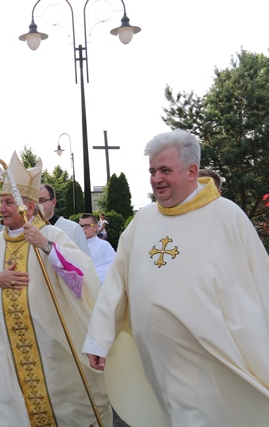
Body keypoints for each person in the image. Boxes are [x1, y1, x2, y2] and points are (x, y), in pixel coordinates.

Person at [83, 129, 269, 425]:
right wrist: (99, 338)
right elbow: (117, 284)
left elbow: (259, 283)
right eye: (152, 171)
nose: (156, 178)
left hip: (209, 355)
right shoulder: (143, 219)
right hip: (157, 360)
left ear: (192, 171)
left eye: (165, 170)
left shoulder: (227, 216)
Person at [0, 152, 111, 427]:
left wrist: (46, 246)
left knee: (63, 407)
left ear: (29, 207)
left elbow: (81, 277)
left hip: (51, 344)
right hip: (7, 348)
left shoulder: (52, 235)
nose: (1, 208)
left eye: (8, 202)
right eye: (1, 202)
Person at [39, 183, 91, 257]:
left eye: (41, 201)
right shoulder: (27, 230)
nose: (37, 205)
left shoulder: (73, 229)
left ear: (53, 202)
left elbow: (85, 260)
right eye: (33, 201)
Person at [78, 213, 116, 285]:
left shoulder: (104, 245)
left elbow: (113, 266)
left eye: (86, 226)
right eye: (80, 226)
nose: (82, 229)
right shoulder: (74, 244)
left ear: (96, 227)